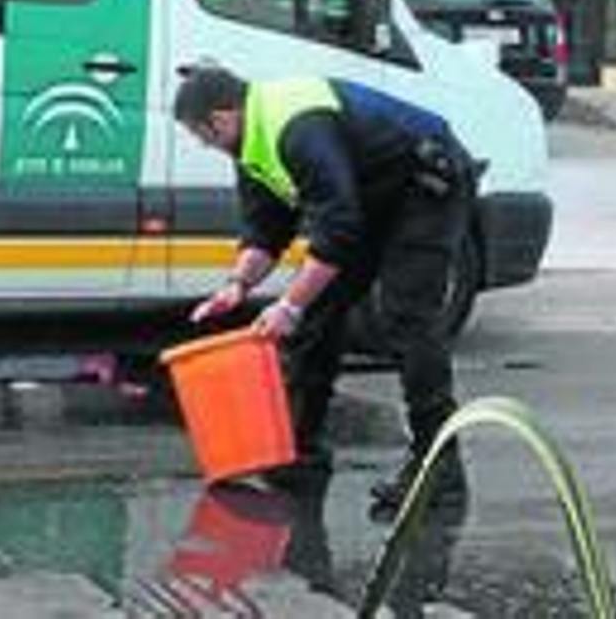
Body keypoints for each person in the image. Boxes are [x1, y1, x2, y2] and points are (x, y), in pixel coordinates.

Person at [173, 64, 474, 516]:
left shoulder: (297, 128)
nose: (205, 145)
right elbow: (266, 227)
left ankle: (439, 469)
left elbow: (338, 229)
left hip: (427, 183)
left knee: (406, 317)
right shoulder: (252, 143)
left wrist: (289, 304)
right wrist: (237, 285)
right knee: (317, 316)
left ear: (220, 118)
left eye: (202, 135)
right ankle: (300, 454)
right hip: (372, 192)